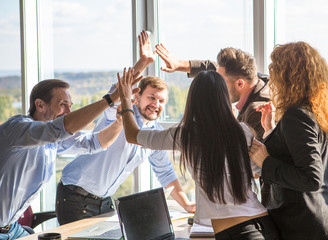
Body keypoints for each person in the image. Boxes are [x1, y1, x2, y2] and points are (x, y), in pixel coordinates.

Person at [118, 68, 279, 240]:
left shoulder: (185, 135)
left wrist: (126, 99)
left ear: (193, 100)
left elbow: (133, 136)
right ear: (224, 98)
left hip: (239, 233)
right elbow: (257, 171)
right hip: (265, 225)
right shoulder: (242, 131)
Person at [56, 32, 195, 225]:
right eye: (151, 97)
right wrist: (144, 62)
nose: (156, 104)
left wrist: (187, 204)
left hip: (104, 201)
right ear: (136, 97)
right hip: (75, 196)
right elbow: (116, 92)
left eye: (161, 100)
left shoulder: (154, 134)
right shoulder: (120, 113)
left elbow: (165, 172)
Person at [0, 75, 133, 239]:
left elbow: (94, 143)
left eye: (70, 106)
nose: (68, 112)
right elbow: (60, 128)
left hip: (11, 228)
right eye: (63, 105)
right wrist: (110, 99)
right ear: (40, 105)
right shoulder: (18, 129)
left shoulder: (51, 140)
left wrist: (119, 120)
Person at [249, 42, 328, 240]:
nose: (272, 81)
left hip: (300, 226)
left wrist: (265, 162)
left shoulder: (297, 116)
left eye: (275, 72)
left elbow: (311, 178)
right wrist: (270, 132)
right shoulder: (316, 112)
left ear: (288, 76)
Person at [155, 44, 270, 141]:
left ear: (240, 84)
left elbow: (242, 152)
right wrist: (179, 64)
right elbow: (214, 68)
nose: (216, 86)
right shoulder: (255, 78)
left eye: (221, 81)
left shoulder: (257, 111)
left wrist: (232, 122)